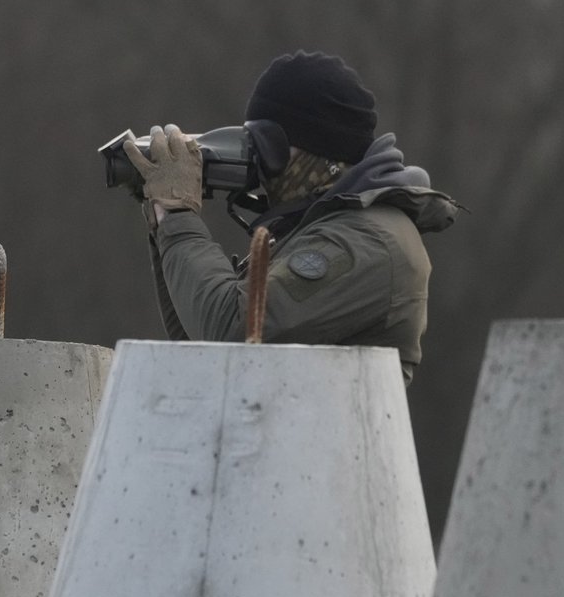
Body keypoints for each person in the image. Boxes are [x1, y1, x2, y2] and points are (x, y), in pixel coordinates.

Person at [123, 50, 458, 385]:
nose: (259, 166)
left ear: (321, 151)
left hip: (330, 436)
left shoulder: (367, 243)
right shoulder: (326, 230)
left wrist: (180, 215)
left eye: (268, 146)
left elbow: (232, 334)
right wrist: (164, 217)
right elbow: (198, 345)